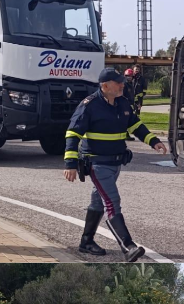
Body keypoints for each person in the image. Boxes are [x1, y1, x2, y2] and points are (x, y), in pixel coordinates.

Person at [64, 67, 168, 261]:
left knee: (98, 202)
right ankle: (128, 247)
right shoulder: (89, 105)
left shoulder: (122, 102)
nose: (123, 84)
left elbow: (135, 125)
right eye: (118, 82)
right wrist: (70, 163)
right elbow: (73, 133)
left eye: (122, 81)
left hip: (115, 164)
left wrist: (154, 141)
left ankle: (86, 242)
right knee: (112, 202)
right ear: (105, 86)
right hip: (97, 164)